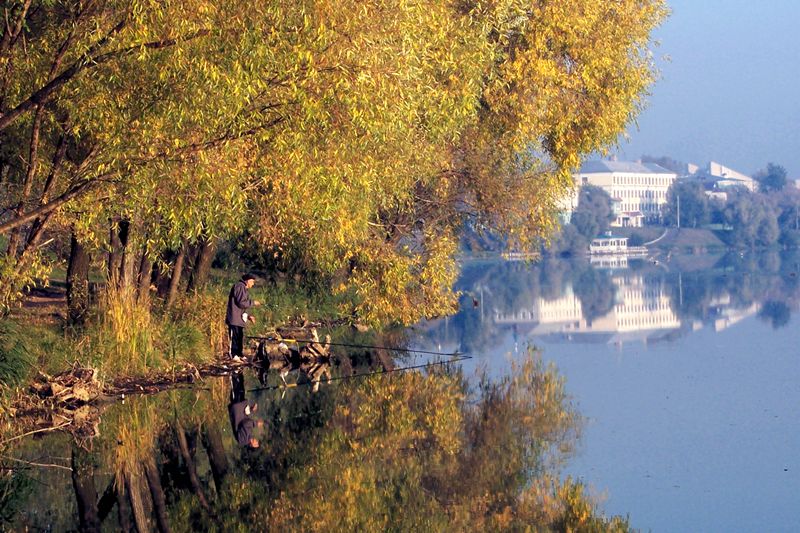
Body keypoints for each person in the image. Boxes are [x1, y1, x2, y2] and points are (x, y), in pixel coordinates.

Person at [225, 273, 261, 361]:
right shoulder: (240, 286)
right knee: (234, 338)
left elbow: (242, 306)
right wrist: (253, 303)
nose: (253, 284)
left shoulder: (244, 289)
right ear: (248, 281)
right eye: (252, 282)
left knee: (239, 337)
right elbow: (241, 303)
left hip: (239, 320)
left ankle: (239, 354)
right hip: (234, 319)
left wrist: (249, 316)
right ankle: (233, 355)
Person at [228, 371, 261, 448]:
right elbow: (245, 417)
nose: (257, 441)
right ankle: (239, 369)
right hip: (241, 406)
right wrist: (251, 409)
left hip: (237, 407)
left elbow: (244, 424)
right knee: (241, 386)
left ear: (252, 445)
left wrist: (255, 423)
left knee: (236, 386)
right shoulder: (248, 437)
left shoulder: (243, 440)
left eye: (256, 443)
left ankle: (233, 369)